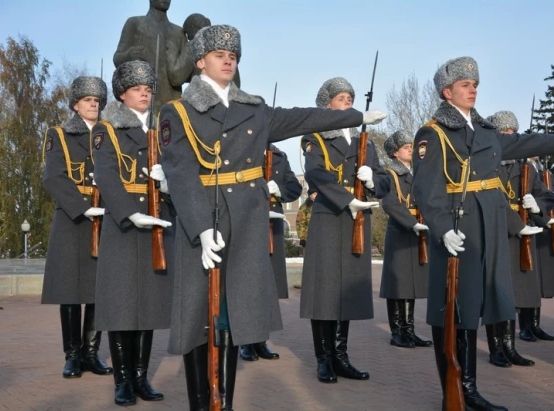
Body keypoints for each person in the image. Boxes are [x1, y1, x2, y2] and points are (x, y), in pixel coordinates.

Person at [158, 25, 386, 410]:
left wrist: (355, 116)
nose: (228, 60)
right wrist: (199, 227)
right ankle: (201, 403)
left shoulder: (254, 108)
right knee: (199, 316)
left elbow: (302, 119)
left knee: (231, 318)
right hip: (205, 220)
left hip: (247, 220)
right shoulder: (177, 110)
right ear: (200, 62)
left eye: (233, 56)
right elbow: (179, 171)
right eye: (219, 55)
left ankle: (223, 403)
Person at [412, 56, 554, 410]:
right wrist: (443, 228)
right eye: (465, 85)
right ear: (447, 92)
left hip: (489, 226)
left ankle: (469, 389)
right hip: (460, 227)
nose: (473, 89)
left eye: (475, 84)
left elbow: (524, 143)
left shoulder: (486, 130)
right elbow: (426, 189)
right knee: (453, 309)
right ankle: (455, 391)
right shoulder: (434, 133)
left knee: (475, 305)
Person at [92, 60, 174, 406]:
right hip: (126, 228)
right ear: (122, 94)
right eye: (137, 88)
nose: (144, 92)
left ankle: (141, 378)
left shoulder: (163, 131)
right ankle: (123, 381)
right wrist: (130, 213)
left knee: (149, 306)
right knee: (123, 306)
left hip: (158, 222)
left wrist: (167, 179)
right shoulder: (107, 129)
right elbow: (107, 176)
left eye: (148, 88)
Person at [300, 77, 387, 384]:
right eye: (341, 98)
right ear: (327, 105)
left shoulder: (366, 142)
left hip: (357, 218)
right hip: (330, 214)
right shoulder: (316, 136)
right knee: (324, 291)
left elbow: (382, 179)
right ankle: (324, 359)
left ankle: (341, 356)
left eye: (350, 97)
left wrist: (373, 179)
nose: (347, 100)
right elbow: (315, 172)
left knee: (346, 291)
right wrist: (347, 198)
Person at [41, 76, 113, 379]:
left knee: (98, 290)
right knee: (71, 290)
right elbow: (53, 177)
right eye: (87, 100)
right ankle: (72, 355)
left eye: (97, 101)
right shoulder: (58, 134)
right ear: (75, 104)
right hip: (73, 218)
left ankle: (91, 354)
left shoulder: (110, 134)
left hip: (104, 216)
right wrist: (83, 206)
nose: (93, 105)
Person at [484, 110, 553, 368]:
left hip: (521, 236)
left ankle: (510, 346)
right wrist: (517, 224)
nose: (509, 137)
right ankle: (496, 348)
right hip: (494, 233)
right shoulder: (484, 165)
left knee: (514, 293)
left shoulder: (525, 169)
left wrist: (537, 207)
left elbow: (546, 195)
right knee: (496, 293)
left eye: (513, 133)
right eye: (504, 133)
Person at [239, 144, 302, 362]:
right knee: (248, 284)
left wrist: (279, 190)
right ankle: (246, 340)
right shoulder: (241, 148)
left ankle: (261, 340)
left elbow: (295, 188)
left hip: (272, 223)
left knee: (268, 286)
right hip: (246, 221)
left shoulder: (279, 156)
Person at [378, 130, 432, 349]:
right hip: (401, 232)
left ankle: (409, 331)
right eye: (406, 147)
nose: (411, 149)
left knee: (410, 285)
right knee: (398, 285)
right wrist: (411, 222)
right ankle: (397, 332)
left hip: (418, 232)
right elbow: (390, 203)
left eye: (411, 146)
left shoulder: (419, 173)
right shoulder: (389, 174)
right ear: (395, 153)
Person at [113, 0, 194, 110]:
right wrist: (129, 54)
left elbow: (188, 75)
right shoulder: (135, 23)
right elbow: (117, 59)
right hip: (142, 103)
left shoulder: (178, 32)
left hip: (172, 105)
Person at [525, 157, 554, 342]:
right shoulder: (522, 168)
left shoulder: (545, 174)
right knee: (527, 279)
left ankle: (535, 325)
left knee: (539, 282)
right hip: (527, 226)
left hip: (544, 230)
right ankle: (525, 327)